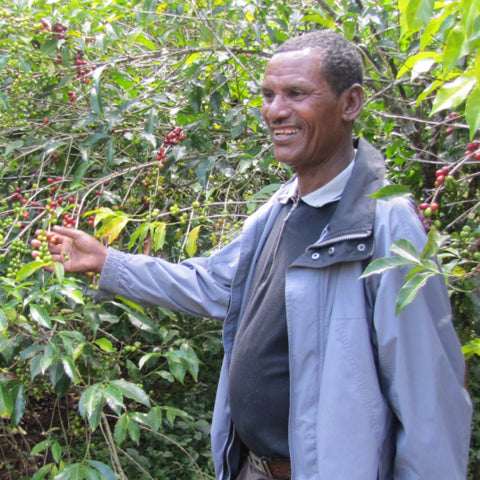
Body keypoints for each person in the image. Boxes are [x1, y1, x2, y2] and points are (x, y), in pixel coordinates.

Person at [32, 30, 472, 480]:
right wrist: (109, 263)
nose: (275, 110)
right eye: (268, 95)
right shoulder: (278, 209)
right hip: (251, 468)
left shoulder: (385, 223)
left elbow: (430, 404)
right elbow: (214, 284)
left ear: (350, 103)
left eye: (296, 94)